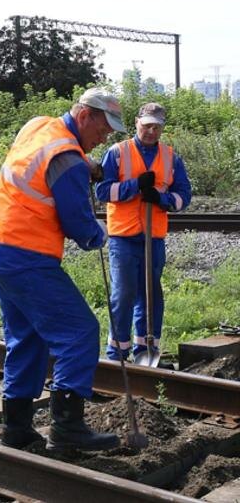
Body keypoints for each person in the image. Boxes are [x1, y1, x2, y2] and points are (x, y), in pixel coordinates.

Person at [0, 87, 124, 452]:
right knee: (79, 332)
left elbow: (48, 162)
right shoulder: (68, 159)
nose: (102, 138)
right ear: (84, 116)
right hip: (28, 258)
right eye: (102, 130)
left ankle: (17, 429)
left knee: (26, 338)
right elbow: (79, 226)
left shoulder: (38, 126)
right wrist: (100, 234)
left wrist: (87, 164)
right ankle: (67, 428)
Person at [96, 103, 191, 362]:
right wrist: (135, 186)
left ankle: (146, 349)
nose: (151, 130)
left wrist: (161, 198)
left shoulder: (171, 157)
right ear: (137, 123)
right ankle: (117, 351)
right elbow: (103, 191)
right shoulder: (117, 153)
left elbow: (183, 197)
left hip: (154, 236)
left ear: (162, 128)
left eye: (156, 126)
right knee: (124, 293)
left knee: (151, 295)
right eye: (147, 125)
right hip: (123, 237)